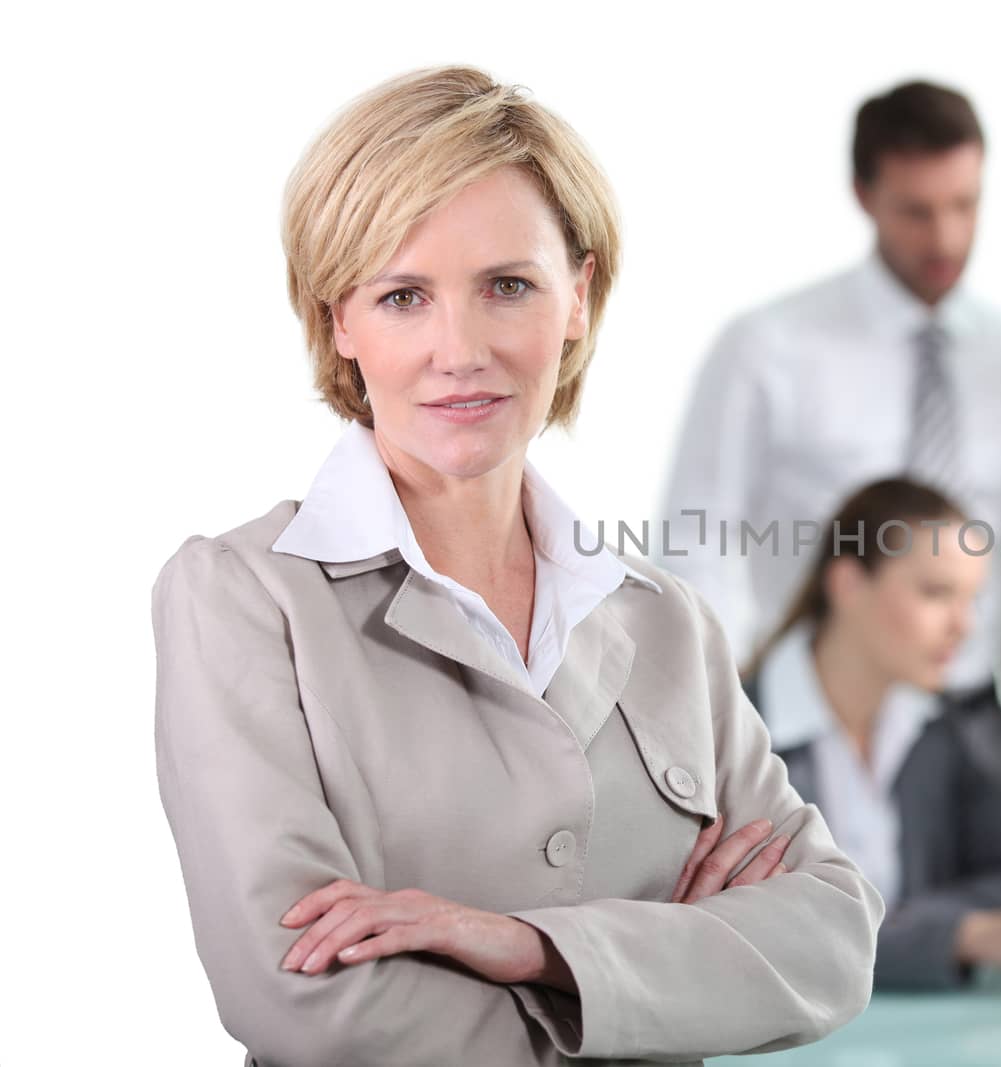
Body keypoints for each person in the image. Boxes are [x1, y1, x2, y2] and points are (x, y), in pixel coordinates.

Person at [151, 66, 881, 1067]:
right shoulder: (242, 600)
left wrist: (529, 945)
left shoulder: (664, 619)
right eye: (403, 295)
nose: (460, 349)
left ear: (576, 296)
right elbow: (300, 996)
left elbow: (833, 934)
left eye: (507, 285)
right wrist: (654, 985)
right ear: (340, 322)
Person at [661, 79, 1001, 733]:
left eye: (965, 205)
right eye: (917, 211)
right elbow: (698, 538)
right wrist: (727, 722)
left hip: (974, 707)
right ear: (864, 195)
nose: (946, 238)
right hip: (819, 709)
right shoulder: (769, 345)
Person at [743, 478, 1001, 988]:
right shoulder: (736, 731)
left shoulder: (949, 729)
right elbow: (762, 933)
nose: (965, 626)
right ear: (849, 584)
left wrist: (912, 928)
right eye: (937, 593)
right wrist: (952, 934)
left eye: (972, 599)